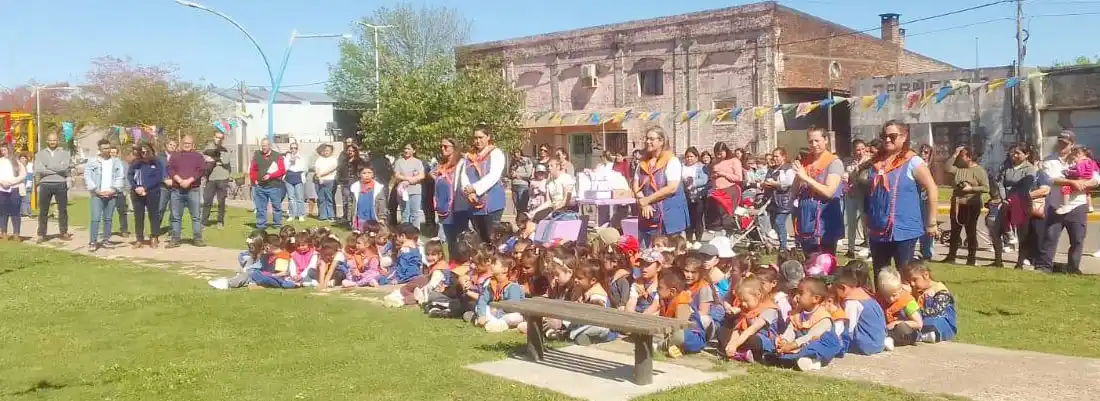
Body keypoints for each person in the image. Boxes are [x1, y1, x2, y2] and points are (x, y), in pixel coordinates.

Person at [864, 121, 938, 275]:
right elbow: (867, 191)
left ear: (904, 137)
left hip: (904, 229)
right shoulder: (875, 162)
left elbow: (932, 188)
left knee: (905, 276)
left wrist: (931, 222)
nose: (887, 140)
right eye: (884, 136)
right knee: (880, 275)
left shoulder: (913, 161)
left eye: (892, 136)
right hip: (878, 228)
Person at [1036, 130, 1097, 274]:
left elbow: (1096, 179)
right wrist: (1071, 182)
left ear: (1072, 144)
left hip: (1077, 205)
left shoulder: (1082, 159)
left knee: (1077, 239)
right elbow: (1052, 179)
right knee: (1050, 237)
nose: (1062, 145)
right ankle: (1044, 267)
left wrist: (1083, 183)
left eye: (1065, 143)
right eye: (1060, 142)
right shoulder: (1050, 160)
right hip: (1056, 205)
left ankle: (1073, 268)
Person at [791, 127, 845, 255]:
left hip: (825, 218)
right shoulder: (805, 161)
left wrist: (805, 178)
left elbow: (829, 191)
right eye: (810, 141)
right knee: (809, 259)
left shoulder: (834, 162)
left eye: (817, 140)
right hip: (806, 217)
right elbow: (794, 191)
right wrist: (798, 177)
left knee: (824, 261)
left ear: (825, 140)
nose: (814, 145)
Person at [634, 127, 689, 247]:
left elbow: (672, 187)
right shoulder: (642, 163)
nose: (648, 141)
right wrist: (644, 203)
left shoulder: (672, 161)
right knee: (646, 253)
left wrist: (647, 200)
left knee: (670, 255)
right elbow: (636, 186)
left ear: (661, 141)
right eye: (647, 138)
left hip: (669, 218)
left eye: (651, 139)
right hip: (647, 216)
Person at [776, 277, 843, 371]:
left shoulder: (823, 317)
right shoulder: (797, 313)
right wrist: (785, 341)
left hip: (817, 343)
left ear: (815, 298)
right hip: (800, 344)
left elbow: (810, 337)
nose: (797, 296)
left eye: (801, 293)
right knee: (776, 342)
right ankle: (793, 358)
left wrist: (793, 344)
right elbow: (791, 329)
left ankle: (812, 362)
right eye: (796, 293)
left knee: (815, 348)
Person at [457, 124, 507, 244]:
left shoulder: (496, 153)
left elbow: (494, 176)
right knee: (479, 239)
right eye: (476, 138)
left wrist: (474, 188)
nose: (478, 141)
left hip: (492, 204)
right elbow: (463, 175)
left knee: (493, 239)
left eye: (481, 137)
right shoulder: (469, 156)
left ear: (488, 137)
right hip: (473, 202)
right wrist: (467, 191)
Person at [989, 143, 1037, 268]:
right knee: (996, 230)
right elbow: (999, 182)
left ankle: (1020, 263)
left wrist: (1011, 199)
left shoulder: (1029, 169)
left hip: (1020, 203)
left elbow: (1025, 187)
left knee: (1022, 233)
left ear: (1026, 155)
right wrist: (1004, 198)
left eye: (1017, 153)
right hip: (1004, 202)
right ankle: (998, 260)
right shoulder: (1006, 166)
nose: (1014, 155)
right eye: (1012, 152)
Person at [942, 146, 989, 265]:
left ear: (969, 157)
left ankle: (971, 258)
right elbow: (947, 168)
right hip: (958, 203)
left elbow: (986, 188)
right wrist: (955, 153)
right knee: (955, 230)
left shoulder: (979, 171)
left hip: (971, 204)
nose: (959, 157)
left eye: (962, 155)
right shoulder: (959, 169)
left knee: (970, 231)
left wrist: (971, 188)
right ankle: (951, 256)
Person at [167, 135, 207, 248]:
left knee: (196, 216)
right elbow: (170, 169)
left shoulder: (198, 156)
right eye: (185, 142)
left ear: (193, 144)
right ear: (181, 143)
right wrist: (179, 180)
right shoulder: (175, 155)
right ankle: (175, 239)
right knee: (175, 216)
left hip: (193, 189)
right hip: (177, 189)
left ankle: (197, 238)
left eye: (189, 143)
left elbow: (201, 170)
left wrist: (190, 180)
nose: (187, 144)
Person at [84, 139, 125, 252]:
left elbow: (120, 177)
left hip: (111, 195)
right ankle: (93, 241)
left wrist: (113, 190)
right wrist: (96, 190)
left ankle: (106, 240)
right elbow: (87, 176)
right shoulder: (92, 161)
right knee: (95, 219)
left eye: (108, 148)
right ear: (100, 149)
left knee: (108, 219)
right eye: (104, 148)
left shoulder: (116, 162)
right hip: (97, 195)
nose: (107, 150)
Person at [34, 133, 73, 243]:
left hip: (60, 183)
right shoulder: (40, 154)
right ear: (47, 141)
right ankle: (41, 234)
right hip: (45, 184)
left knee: (63, 210)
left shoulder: (64, 153)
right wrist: (57, 168)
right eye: (51, 140)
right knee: (43, 210)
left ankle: (64, 232)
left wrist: (48, 167)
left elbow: (65, 167)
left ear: (57, 141)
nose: (52, 142)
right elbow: (39, 169)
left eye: (54, 140)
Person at [904, 261, 957, 343]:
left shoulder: (940, 290)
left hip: (940, 321)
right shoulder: (916, 290)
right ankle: (918, 335)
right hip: (922, 319)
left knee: (932, 322)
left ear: (926, 275)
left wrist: (914, 311)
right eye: (909, 281)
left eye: (914, 280)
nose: (912, 284)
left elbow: (935, 311)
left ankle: (926, 335)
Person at [128, 143, 167, 248]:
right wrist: (136, 187)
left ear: (150, 151)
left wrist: (145, 188)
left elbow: (158, 178)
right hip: (136, 192)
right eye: (142, 151)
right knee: (138, 216)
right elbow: (130, 175)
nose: (144, 153)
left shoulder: (156, 162)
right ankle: (139, 239)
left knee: (153, 215)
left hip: (152, 192)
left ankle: (154, 237)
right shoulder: (135, 162)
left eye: (146, 151)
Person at [433, 137, 467, 257]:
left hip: (457, 206)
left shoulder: (461, 163)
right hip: (443, 206)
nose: (442, 149)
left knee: (458, 239)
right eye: (441, 146)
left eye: (446, 146)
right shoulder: (441, 164)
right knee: (446, 239)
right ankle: (449, 264)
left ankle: (459, 263)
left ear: (454, 148)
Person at [876, 269, 922, 351]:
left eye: (894, 295)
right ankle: (885, 339)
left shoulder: (907, 301)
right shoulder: (878, 298)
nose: (890, 299)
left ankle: (887, 339)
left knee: (902, 328)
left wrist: (897, 323)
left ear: (900, 289)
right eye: (886, 296)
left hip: (907, 332)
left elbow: (918, 324)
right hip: (885, 329)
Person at [248, 138, 287, 230]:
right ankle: (261, 225)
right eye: (262, 146)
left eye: (265, 146)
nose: (264, 148)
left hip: (274, 186)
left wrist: (271, 176)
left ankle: (277, 224)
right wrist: (254, 180)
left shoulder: (277, 156)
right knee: (260, 207)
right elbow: (253, 169)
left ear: (270, 146)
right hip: (260, 186)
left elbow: (282, 170)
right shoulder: (257, 155)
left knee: (276, 206)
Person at [843, 140, 872, 258]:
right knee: (851, 223)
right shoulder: (849, 162)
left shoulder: (869, 161)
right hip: (851, 194)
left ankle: (870, 249)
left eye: (862, 149)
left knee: (866, 224)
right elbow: (845, 175)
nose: (860, 152)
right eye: (858, 149)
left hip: (864, 195)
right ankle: (851, 249)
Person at [762, 148, 795, 250]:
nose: (774, 158)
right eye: (774, 156)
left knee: (779, 221)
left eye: (777, 156)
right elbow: (766, 181)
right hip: (772, 200)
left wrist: (774, 184)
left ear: (783, 157)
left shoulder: (788, 169)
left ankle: (783, 247)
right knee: (774, 223)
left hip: (784, 200)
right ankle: (780, 242)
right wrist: (767, 184)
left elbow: (789, 183)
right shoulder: (771, 169)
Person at [709, 142, 743, 233]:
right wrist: (714, 176)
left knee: (726, 214)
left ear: (726, 151)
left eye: (721, 153)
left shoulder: (734, 161)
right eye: (717, 154)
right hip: (717, 191)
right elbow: (711, 176)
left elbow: (739, 177)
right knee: (718, 214)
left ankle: (730, 233)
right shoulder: (714, 162)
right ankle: (722, 234)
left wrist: (723, 174)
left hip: (729, 189)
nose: (719, 156)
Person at [201, 131, 232, 229]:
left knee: (221, 201)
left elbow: (225, 161)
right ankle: (204, 222)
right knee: (207, 200)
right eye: (217, 137)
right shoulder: (207, 148)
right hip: (211, 178)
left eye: (221, 138)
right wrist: (216, 160)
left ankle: (220, 221)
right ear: (213, 137)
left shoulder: (225, 150)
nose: (219, 139)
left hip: (223, 177)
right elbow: (204, 159)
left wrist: (213, 159)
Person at [393, 143, 425, 228]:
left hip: (415, 191)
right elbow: (397, 175)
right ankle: (405, 234)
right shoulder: (399, 162)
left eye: (409, 149)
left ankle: (415, 235)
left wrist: (409, 182)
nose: (406, 150)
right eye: (405, 148)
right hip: (402, 191)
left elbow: (421, 176)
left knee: (415, 214)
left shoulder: (418, 162)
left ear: (414, 151)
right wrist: (407, 179)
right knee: (405, 214)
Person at [0, 145, 27, 241]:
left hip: (14, 189)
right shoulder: (1, 161)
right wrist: (2, 182)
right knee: (3, 212)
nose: (3, 152)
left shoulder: (17, 162)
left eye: (5, 149)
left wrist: (11, 182)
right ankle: (4, 233)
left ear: (10, 150)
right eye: (2, 150)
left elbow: (23, 175)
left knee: (15, 212)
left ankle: (16, 234)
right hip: (2, 189)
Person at [682, 147, 709, 244]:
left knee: (697, 218)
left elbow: (704, 180)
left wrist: (692, 183)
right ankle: (689, 240)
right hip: (685, 196)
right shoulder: (682, 167)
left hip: (698, 196)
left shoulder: (701, 167)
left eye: (691, 156)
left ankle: (698, 240)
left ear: (696, 157)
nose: (689, 158)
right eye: (687, 157)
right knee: (688, 219)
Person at [337, 139, 368, 223]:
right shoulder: (344, 161)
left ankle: (355, 218)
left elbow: (362, 171)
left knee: (355, 201)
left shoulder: (359, 161)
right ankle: (347, 218)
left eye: (352, 151)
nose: (350, 152)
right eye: (349, 150)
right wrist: (339, 181)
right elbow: (339, 171)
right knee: (346, 201)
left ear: (355, 151)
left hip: (355, 182)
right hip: (345, 182)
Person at [349, 166, 388, 231]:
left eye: (369, 173)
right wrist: (350, 218)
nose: (367, 175)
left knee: (374, 235)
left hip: (373, 217)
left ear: (373, 174)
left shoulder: (378, 187)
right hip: (360, 216)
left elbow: (382, 203)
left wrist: (382, 217)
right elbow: (350, 203)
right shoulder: (355, 187)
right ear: (359, 174)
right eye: (364, 173)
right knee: (360, 236)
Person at [916, 144, 936, 260]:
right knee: (919, 225)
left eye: (926, 152)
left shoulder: (932, 167)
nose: (923, 154)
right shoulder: (917, 166)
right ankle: (923, 250)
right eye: (922, 152)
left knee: (927, 224)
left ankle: (928, 252)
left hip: (928, 199)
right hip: (918, 197)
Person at [108, 145, 131, 238]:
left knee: (122, 212)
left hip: (120, 192)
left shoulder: (124, 164)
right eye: (111, 152)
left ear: (118, 154)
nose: (113, 154)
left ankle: (124, 230)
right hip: (109, 192)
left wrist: (127, 190)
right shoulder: (105, 164)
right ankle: (107, 230)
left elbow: (127, 177)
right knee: (108, 213)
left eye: (114, 153)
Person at [312, 144, 339, 222]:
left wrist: (321, 175)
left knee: (329, 198)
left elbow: (332, 169)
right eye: (325, 150)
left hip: (330, 180)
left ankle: (331, 215)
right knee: (321, 198)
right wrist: (318, 176)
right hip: (319, 181)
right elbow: (316, 168)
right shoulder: (319, 159)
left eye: (328, 150)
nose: (326, 152)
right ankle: (323, 216)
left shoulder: (334, 159)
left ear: (331, 151)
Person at [157, 139, 178, 230]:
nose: (172, 146)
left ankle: (172, 230)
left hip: (175, 186)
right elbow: (156, 170)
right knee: (160, 208)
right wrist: (164, 179)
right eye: (170, 144)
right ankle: (156, 230)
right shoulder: (159, 156)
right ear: (166, 145)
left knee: (174, 210)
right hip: (163, 186)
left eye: (174, 145)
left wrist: (175, 180)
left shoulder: (178, 157)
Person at [283, 141, 307, 222]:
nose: (293, 150)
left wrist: (296, 161)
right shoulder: (287, 157)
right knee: (291, 198)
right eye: (292, 148)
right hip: (289, 177)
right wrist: (290, 161)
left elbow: (304, 168)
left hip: (298, 177)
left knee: (300, 198)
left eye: (295, 148)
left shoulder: (301, 157)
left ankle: (300, 215)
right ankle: (291, 215)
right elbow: (285, 168)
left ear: (297, 149)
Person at [510, 148, 534, 216]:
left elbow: (528, 174)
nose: (515, 154)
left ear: (521, 152)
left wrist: (517, 175)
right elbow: (510, 173)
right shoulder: (513, 161)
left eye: (517, 152)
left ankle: (524, 221)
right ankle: (519, 222)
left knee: (522, 207)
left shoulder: (526, 160)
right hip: (514, 185)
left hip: (522, 185)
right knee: (517, 207)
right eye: (514, 153)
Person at [18, 152, 32, 218]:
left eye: (24, 158)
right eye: (22, 158)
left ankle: (28, 213)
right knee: (23, 200)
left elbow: (32, 175)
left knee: (28, 200)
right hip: (21, 185)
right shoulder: (18, 167)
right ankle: (23, 213)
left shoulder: (29, 166)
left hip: (29, 185)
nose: (23, 160)